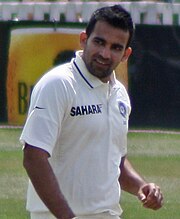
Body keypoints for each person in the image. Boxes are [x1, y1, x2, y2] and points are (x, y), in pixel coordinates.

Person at [20, 5, 163, 219]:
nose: (105, 53)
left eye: (116, 47)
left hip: (108, 214)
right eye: (99, 42)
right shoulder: (59, 84)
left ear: (126, 54)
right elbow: (33, 157)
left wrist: (141, 187)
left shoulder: (119, 94)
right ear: (84, 39)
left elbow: (116, 162)